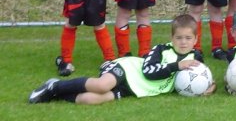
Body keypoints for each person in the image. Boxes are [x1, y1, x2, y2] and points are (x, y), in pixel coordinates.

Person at [29, 14, 214, 105]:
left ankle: (56, 95)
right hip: (127, 69)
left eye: (188, 38)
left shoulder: (195, 57)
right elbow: (148, 72)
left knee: (91, 99)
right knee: (102, 86)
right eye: (179, 38)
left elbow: (202, 75)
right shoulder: (161, 49)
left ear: (195, 40)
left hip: (136, 89)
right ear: (172, 38)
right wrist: (177, 65)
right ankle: (55, 86)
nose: (183, 42)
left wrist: (208, 87)